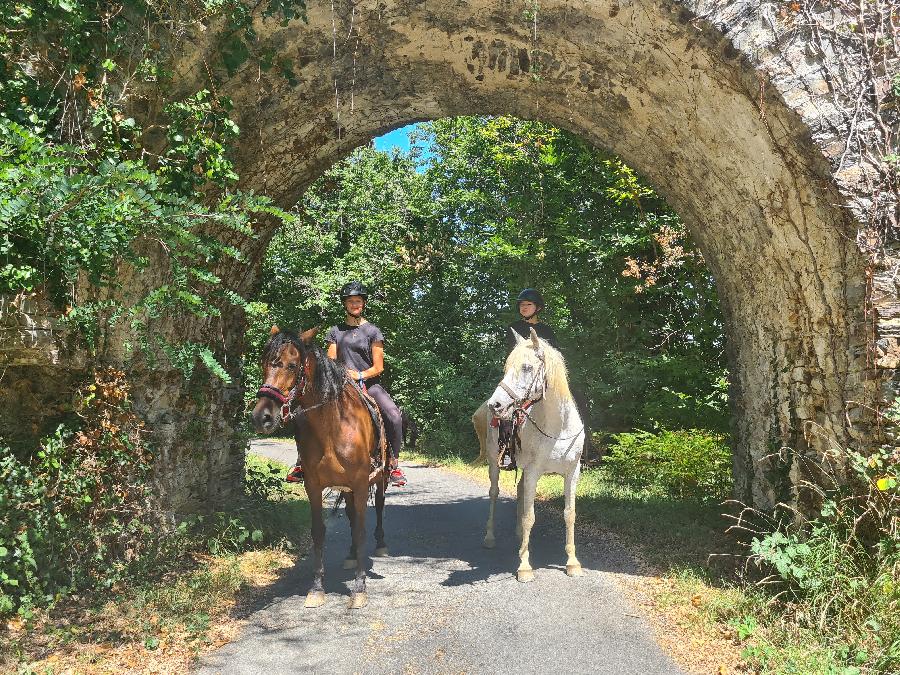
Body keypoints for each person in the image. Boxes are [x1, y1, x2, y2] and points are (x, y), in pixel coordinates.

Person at [286, 281, 407, 487]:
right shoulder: (335, 331)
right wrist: (341, 375)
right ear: (345, 304)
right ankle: (301, 463)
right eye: (351, 301)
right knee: (302, 415)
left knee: (394, 415)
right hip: (339, 385)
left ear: (364, 304)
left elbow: (379, 367)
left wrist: (359, 375)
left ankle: (392, 463)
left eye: (358, 301)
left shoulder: (373, 332)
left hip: (369, 384)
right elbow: (331, 360)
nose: (355, 305)